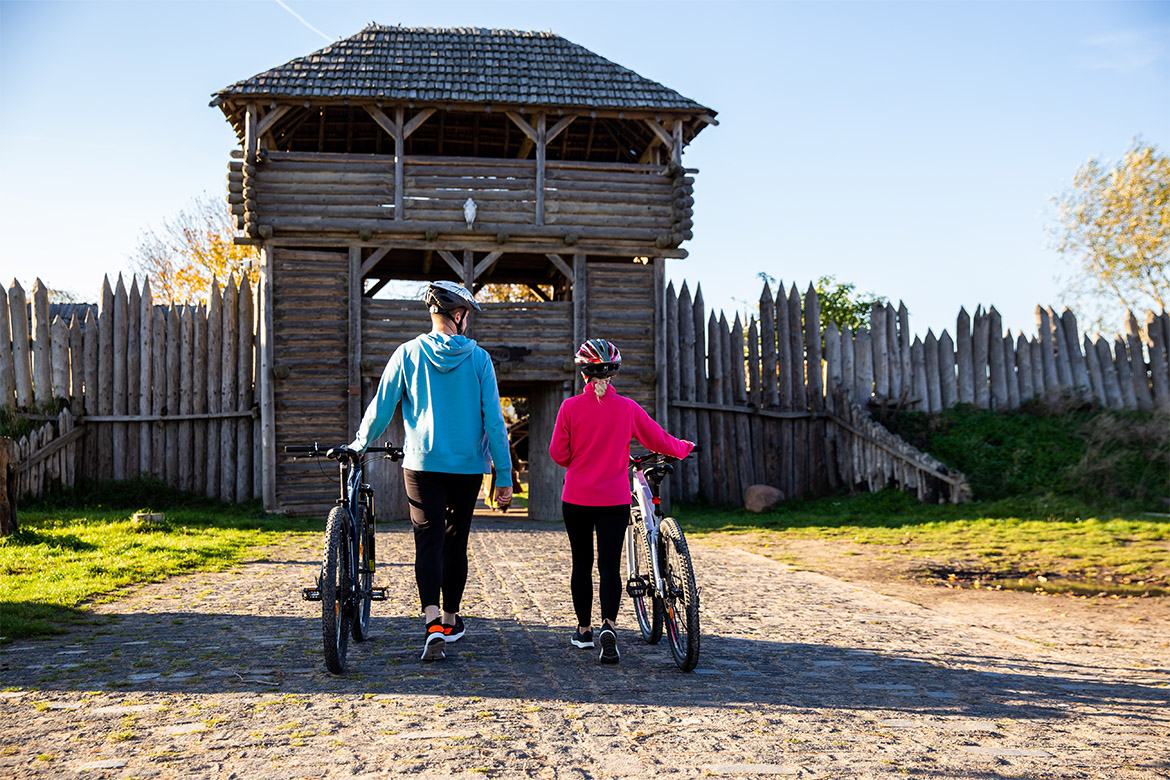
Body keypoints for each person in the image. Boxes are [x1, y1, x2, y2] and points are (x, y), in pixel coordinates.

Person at [346, 280, 513, 662]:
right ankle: (452, 620)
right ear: (459, 315)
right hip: (467, 468)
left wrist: (359, 443)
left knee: (428, 541)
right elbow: (494, 420)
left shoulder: (407, 354)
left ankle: (432, 622)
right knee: (455, 541)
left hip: (421, 464)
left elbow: (382, 406)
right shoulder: (479, 359)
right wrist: (503, 474)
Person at [548, 339, 694, 664]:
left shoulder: (569, 408)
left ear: (584, 373)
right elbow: (659, 440)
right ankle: (609, 626)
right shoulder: (627, 408)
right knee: (609, 566)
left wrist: (578, 459)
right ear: (613, 374)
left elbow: (558, 454)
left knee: (581, 564)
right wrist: (684, 447)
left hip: (576, 499)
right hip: (613, 501)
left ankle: (584, 631)